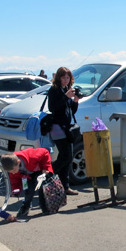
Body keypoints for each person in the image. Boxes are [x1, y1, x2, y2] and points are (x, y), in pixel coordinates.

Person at [48, 66, 80, 195]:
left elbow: (71, 110)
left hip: (67, 127)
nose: (66, 80)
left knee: (67, 156)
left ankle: (64, 187)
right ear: (58, 78)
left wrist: (76, 101)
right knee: (66, 156)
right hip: (57, 127)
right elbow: (53, 108)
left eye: (68, 77)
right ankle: (48, 176)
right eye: (63, 77)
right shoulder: (54, 90)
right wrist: (66, 97)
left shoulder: (66, 89)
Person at [0, 148, 54, 217]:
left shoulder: (32, 156)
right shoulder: (13, 169)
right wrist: (16, 190)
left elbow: (45, 152)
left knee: (41, 188)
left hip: (40, 171)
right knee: (28, 191)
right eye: (10, 172)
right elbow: (15, 181)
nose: (13, 173)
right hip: (28, 175)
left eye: (14, 170)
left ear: (18, 162)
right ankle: (25, 207)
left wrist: (46, 167)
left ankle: (45, 206)